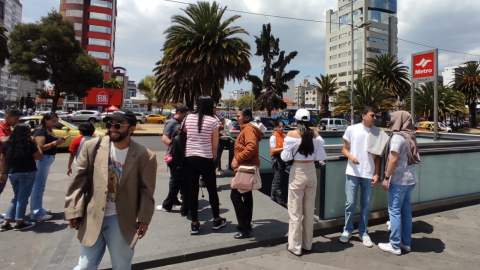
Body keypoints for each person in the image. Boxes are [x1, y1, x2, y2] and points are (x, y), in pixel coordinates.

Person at [65, 109, 157, 269]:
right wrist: (73, 210)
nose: (112, 129)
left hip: (122, 220)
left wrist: (144, 219)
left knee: (121, 266)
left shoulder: (145, 155)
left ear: (131, 129)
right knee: (84, 267)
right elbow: (78, 181)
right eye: (109, 124)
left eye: (118, 125)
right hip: (93, 216)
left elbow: (146, 190)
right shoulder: (92, 147)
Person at [281, 109, 326, 256]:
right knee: (308, 210)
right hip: (311, 171)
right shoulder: (316, 136)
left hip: (298, 170)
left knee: (295, 210)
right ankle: (307, 244)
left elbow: (285, 156)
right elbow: (320, 156)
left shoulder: (291, 135)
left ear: (296, 120)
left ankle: (295, 246)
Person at [378, 111, 420, 255]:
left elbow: (393, 159)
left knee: (394, 211)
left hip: (398, 180)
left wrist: (386, 177)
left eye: (393, 119)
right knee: (406, 211)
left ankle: (394, 244)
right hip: (410, 179)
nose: (390, 121)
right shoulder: (411, 136)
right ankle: (406, 242)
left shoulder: (397, 137)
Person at [339, 106, 382, 247]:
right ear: (363, 116)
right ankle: (347, 230)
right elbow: (344, 148)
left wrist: (377, 174)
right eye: (372, 115)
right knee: (350, 203)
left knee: (366, 205)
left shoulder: (378, 133)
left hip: (369, 174)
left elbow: (378, 156)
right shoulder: (352, 129)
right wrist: (351, 157)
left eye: (375, 116)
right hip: (353, 172)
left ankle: (363, 232)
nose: (375, 118)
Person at [184, 95, 226, 234]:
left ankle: (195, 223)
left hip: (189, 157)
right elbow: (215, 144)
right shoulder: (213, 121)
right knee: (211, 190)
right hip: (206, 158)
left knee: (192, 190)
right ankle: (216, 220)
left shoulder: (188, 118)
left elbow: (184, 132)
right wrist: (213, 157)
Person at [0, 124, 43, 231]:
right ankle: (19, 221)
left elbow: (2, 158)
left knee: (16, 197)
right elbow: (39, 156)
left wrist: (3, 172)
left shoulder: (8, 143)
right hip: (27, 172)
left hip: (12, 173)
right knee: (22, 198)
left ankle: (6, 222)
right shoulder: (29, 143)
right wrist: (36, 143)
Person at [230, 108, 263, 239]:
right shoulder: (247, 129)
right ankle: (246, 225)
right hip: (246, 167)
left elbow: (251, 146)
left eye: (238, 116)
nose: (236, 118)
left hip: (245, 167)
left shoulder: (248, 130)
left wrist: (238, 158)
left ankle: (245, 227)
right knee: (246, 196)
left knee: (235, 196)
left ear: (246, 117)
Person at [30, 112, 67, 221]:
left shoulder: (47, 130)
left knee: (40, 186)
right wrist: (55, 143)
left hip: (46, 159)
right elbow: (40, 148)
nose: (55, 123)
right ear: (46, 120)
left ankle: (38, 208)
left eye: (56, 121)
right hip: (42, 160)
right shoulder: (40, 131)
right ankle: (36, 212)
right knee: (38, 186)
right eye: (53, 121)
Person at [156, 104, 189, 213]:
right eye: (184, 114)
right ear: (179, 113)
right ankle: (170, 202)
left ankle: (174, 200)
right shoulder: (171, 123)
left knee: (178, 180)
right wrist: (175, 147)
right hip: (174, 157)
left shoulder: (180, 123)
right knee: (174, 180)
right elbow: (164, 138)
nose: (185, 117)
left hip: (179, 157)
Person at [0, 108, 23, 220]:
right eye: (15, 119)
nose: (16, 122)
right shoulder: (1, 128)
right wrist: (19, 136)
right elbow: (3, 139)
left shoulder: (8, 128)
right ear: (7, 116)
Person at [270, 120, 288, 206]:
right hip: (276, 159)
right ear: (276, 127)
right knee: (278, 180)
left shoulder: (284, 136)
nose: (282, 128)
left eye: (283, 127)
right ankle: (280, 200)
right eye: (279, 127)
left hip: (282, 159)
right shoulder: (273, 137)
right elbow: (273, 150)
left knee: (276, 179)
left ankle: (273, 196)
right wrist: (284, 148)